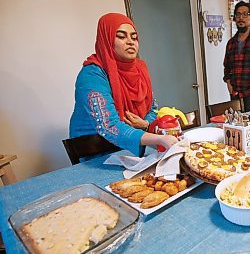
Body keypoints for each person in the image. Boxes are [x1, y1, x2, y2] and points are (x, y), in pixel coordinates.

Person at [69, 13, 178, 156]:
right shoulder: (92, 75)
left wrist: (145, 124)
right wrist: (158, 138)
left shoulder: (139, 69)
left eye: (134, 37)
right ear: (106, 40)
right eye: (121, 36)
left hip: (134, 147)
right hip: (97, 152)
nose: (130, 42)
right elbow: (109, 126)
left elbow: (152, 107)